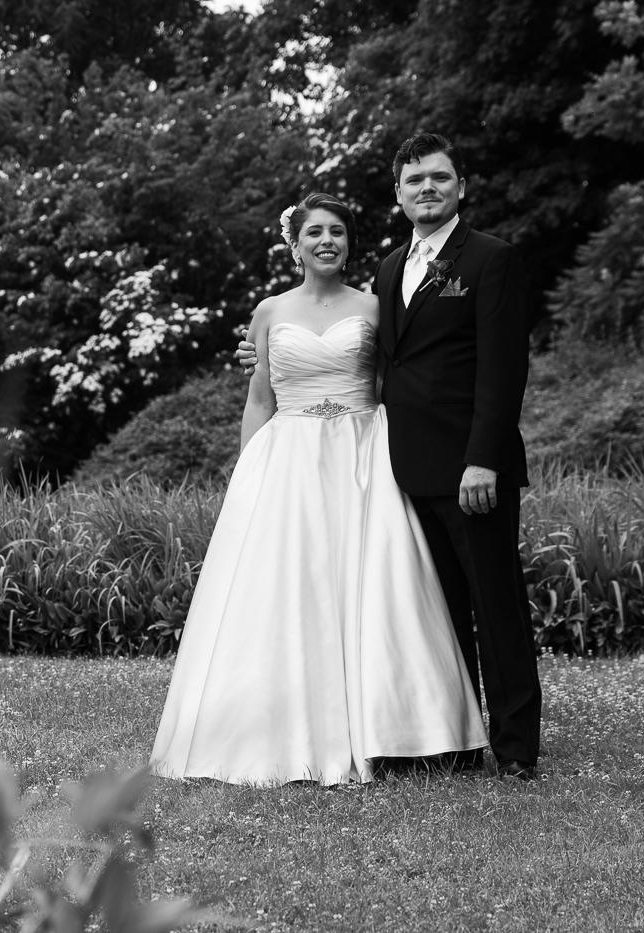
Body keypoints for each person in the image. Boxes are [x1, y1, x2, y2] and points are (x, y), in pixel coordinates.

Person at [150, 193, 487, 786]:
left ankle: (403, 730)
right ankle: (279, 729)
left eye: (337, 232)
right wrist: (249, 475)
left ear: (350, 244)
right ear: (296, 245)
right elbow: (260, 399)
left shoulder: (377, 305)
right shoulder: (269, 312)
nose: (326, 241)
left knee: (380, 585)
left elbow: (397, 380)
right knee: (291, 588)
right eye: (315, 233)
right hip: (291, 461)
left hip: (364, 455)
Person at [236, 133, 542, 780]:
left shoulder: (491, 259)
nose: (427, 188)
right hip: (398, 468)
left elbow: (503, 369)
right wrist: (268, 352)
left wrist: (483, 458)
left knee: (496, 606)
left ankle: (516, 748)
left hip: (471, 467)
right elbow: (379, 363)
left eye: (439, 177)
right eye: (414, 181)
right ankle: (455, 737)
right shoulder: (389, 269)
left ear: (461, 186)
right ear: (399, 194)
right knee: (435, 613)